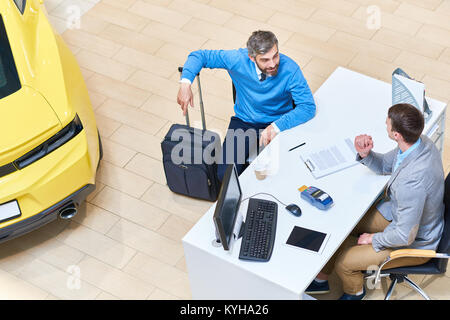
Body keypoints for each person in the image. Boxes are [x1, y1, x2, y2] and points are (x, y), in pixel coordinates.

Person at [305, 103, 445, 300]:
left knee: (344, 263)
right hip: (403, 217)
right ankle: (320, 281)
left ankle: (355, 293)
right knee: (345, 222)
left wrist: (373, 239)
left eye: (387, 123)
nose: (385, 124)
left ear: (397, 134)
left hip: (416, 241)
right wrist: (366, 154)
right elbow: (387, 164)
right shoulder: (419, 143)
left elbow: (405, 236)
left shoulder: (412, 182)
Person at [176, 30, 316, 182]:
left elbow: (307, 107)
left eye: (275, 56)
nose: (273, 63)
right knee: (225, 176)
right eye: (265, 60)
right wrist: (185, 84)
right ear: (252, 57)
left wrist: (276, 126)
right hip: (245, 121)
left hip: (279, 121)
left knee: (286, 174)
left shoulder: (290, 69)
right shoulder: (237, 59)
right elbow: (199, 56)